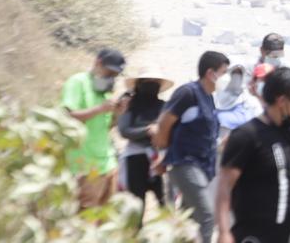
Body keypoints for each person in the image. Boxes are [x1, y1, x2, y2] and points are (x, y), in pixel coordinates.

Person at [216, 68, 290, 243]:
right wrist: (223, 232)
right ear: (282, 100)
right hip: (253, 237)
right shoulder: (247, 135)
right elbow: (224, 187)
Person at [155, 51, 230, 243]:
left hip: (202, 167)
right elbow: (165, 122)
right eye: (224, 72)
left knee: (186, 219)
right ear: (210, 73)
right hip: (185, 163)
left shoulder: (209, 98)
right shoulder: (188, 93)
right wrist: (164, 153)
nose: (226, 78)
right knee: (206, 216)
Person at [61, 49, 127, 209]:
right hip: (84, 166)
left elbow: (107, 128)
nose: (111, 77)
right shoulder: (77, 82)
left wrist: (118, 113)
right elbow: (67, 116)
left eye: (115, 75)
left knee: (106, 219)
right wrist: (99, 109)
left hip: (108, 165)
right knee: (86, 218)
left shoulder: (105, 92)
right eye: (109, 72)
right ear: (98, 63)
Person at [118, 67, 173, 222]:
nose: (152, 85)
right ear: (140, 84)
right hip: (135, 158)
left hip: (158, 159)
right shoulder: (130, 105)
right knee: (137, 206)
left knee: (166, 205)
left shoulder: (164, 106)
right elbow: (124, 130)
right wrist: (147, 130)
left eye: (155, 82)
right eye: (149, 82)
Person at [215, 64, 264, 140]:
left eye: (239, 74)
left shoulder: (250, 101)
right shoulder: (213, 99)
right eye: (234, 73)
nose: (236, 77)